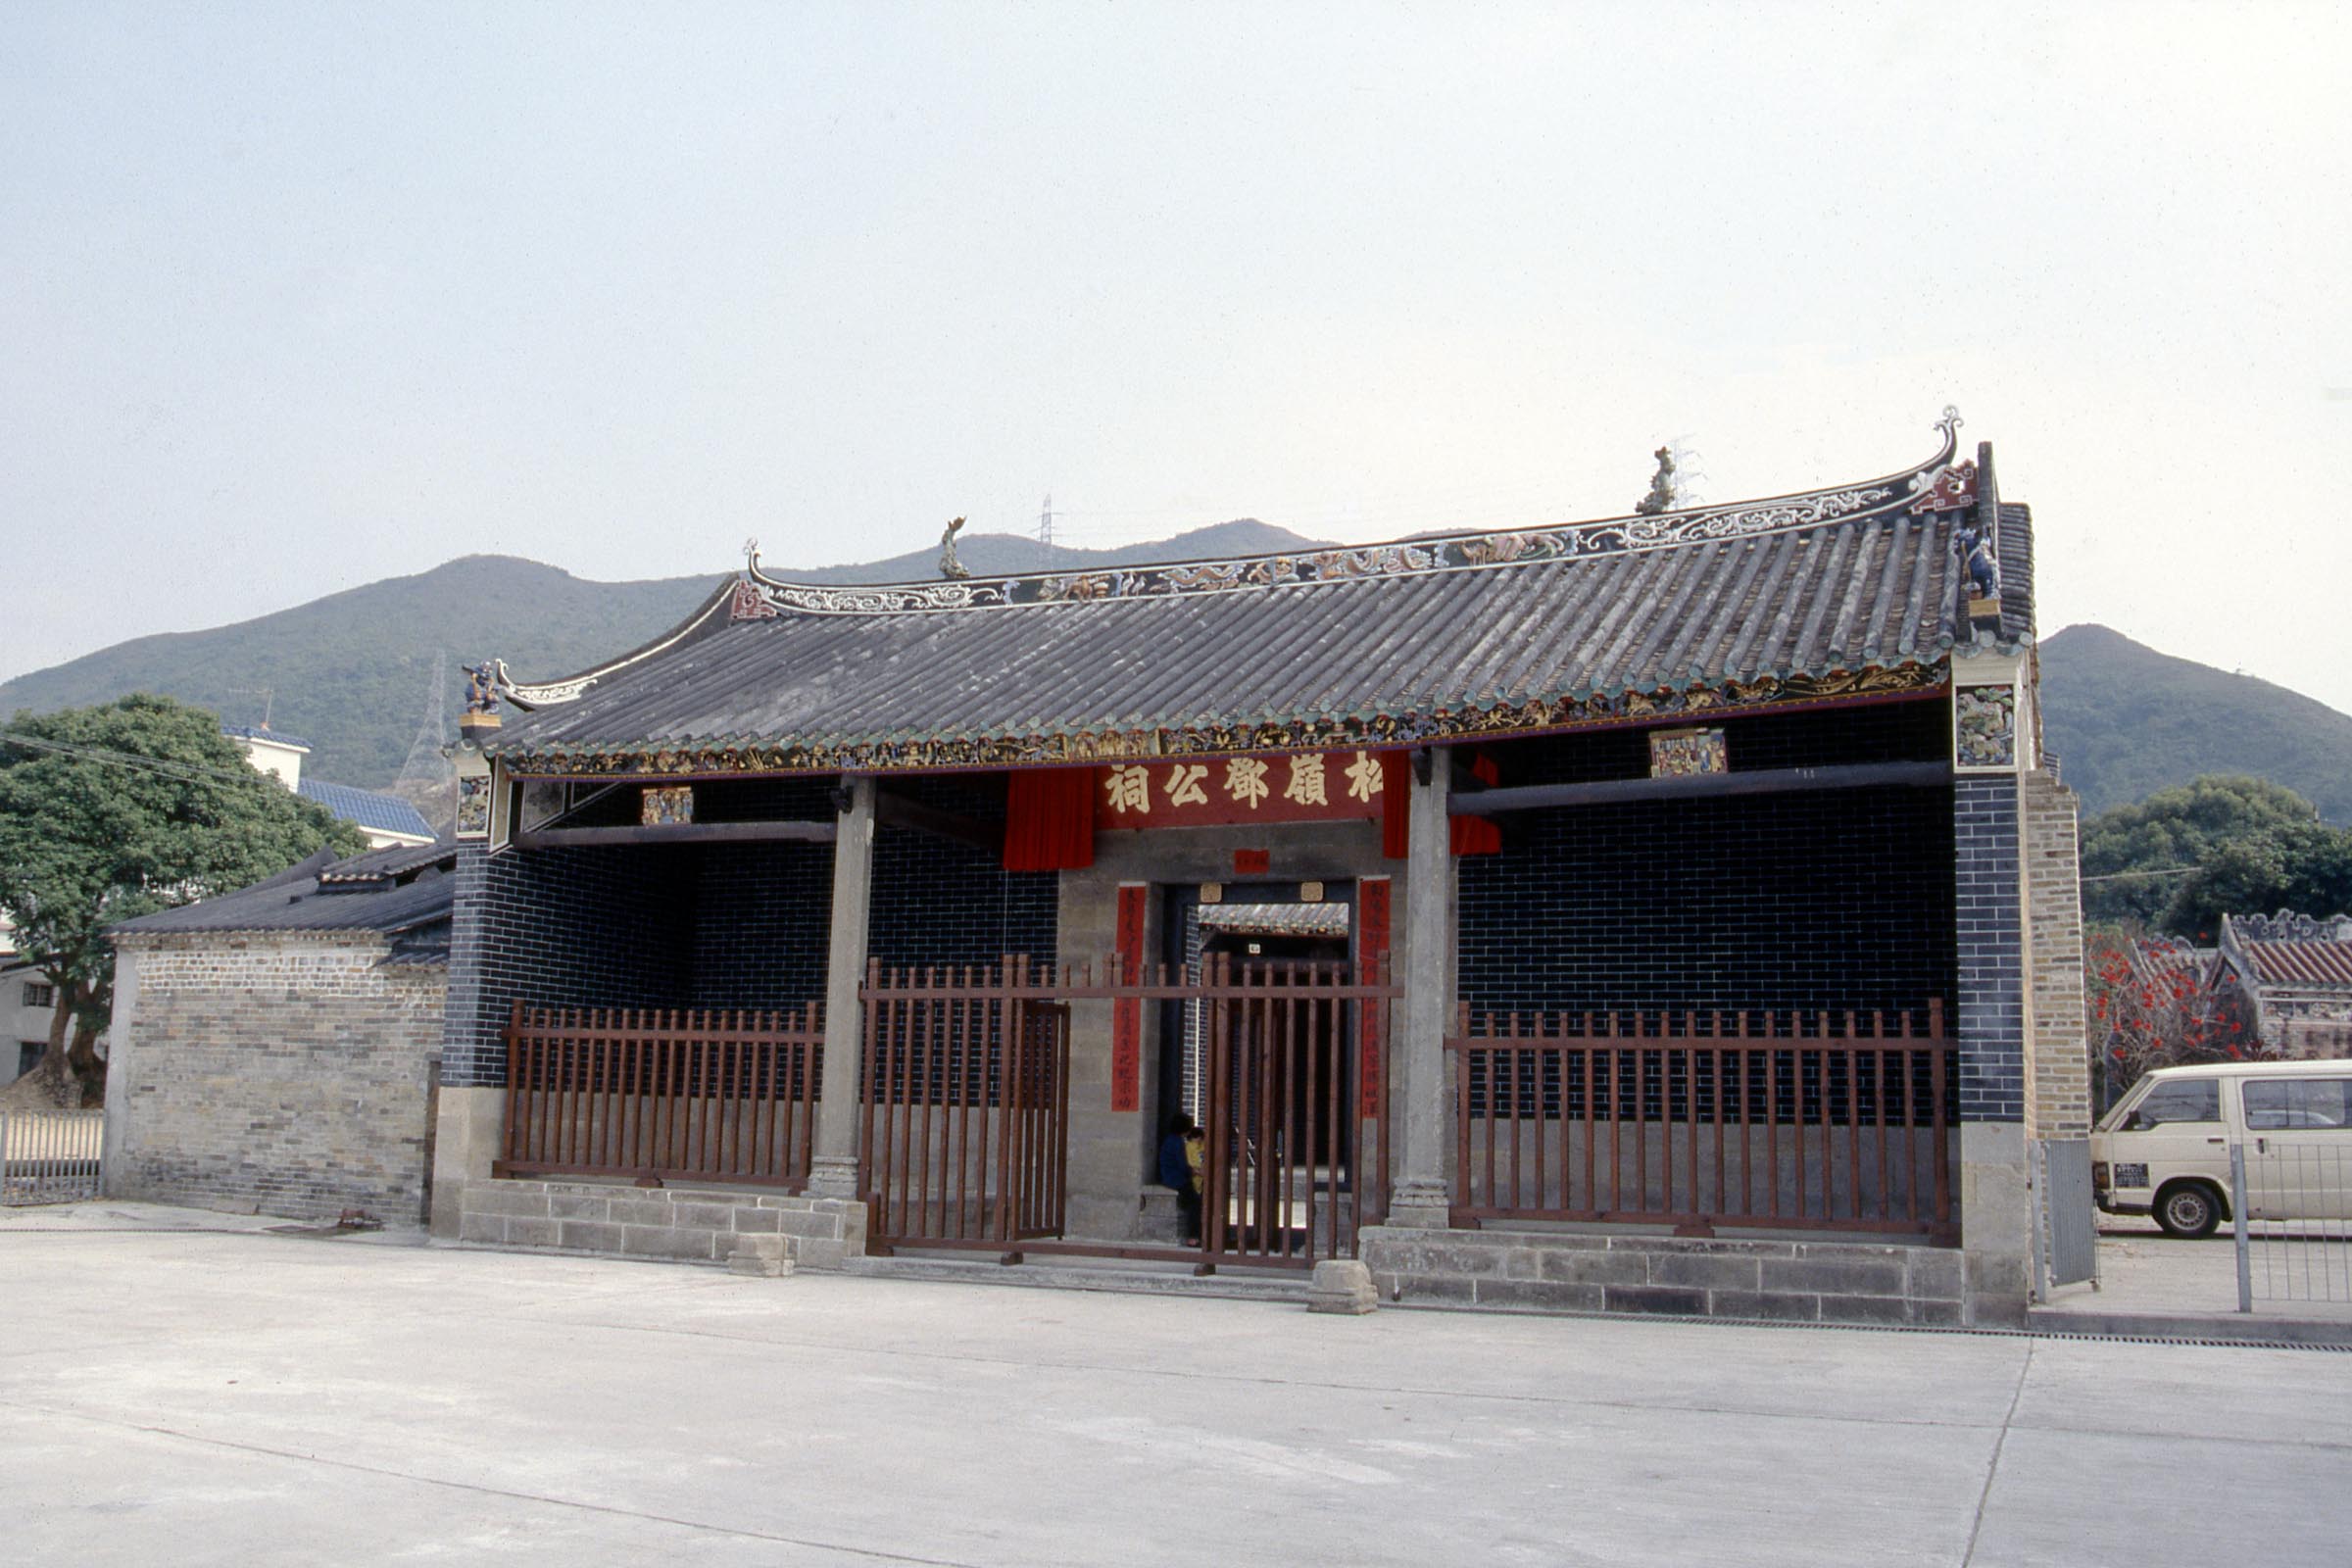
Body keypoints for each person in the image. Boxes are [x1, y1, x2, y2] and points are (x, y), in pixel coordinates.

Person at [1158, 1114, 1202, 1246]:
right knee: (1195, 1203)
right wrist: (1196, 1171)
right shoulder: (1177, 1142)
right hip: (1176, 1179)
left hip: (1169, 1176)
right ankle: (1193, 1238)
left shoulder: (1170, 1140)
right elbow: (1182, 1166)